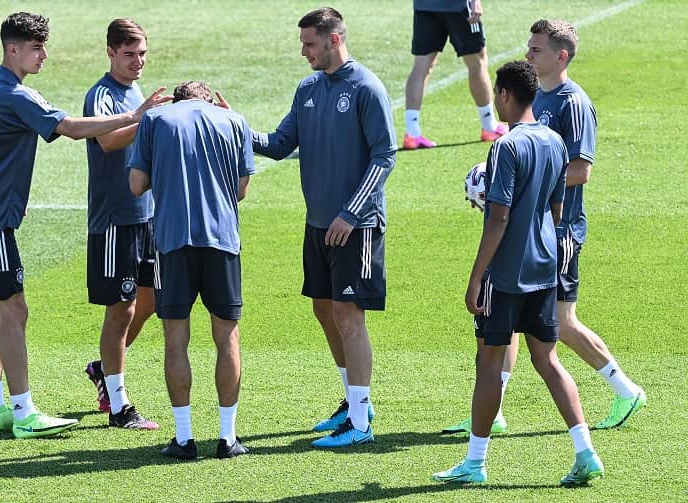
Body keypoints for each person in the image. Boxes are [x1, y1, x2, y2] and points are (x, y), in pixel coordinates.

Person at [0, 11, 170, 439]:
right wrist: (141, 115)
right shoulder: (17, 94)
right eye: (37, 48)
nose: (45, 56)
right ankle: (25, 412)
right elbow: (73, 129)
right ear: (13, 49)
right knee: (14, 310)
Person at [442, 19, 645, 436]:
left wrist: (517, 190)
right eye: (530, 47)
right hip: (531, 230)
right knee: (508, 309)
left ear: (561, 56)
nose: (529, 53)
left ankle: (625, 389)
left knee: (560, 320)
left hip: (560, 230)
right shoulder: (539, 99)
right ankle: (492, 410)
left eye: (536, 49)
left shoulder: (574, 104)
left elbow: (580, 170)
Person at [431, 60, 603, 486]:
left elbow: (500, 218)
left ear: (505, 94)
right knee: (547, 360)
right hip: (546, 269)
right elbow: (557, 207)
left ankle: (474, 462)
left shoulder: (507, 146)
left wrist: (477, 276)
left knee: (490, 363)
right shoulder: (555, 142)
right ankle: (585, 451)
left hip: (507, 274)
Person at [251, 7, 396, 448]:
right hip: (318, 224)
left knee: (349, 318)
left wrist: (351, 213)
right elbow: (278, 145)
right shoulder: (308, 88)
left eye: (309, 44)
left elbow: (384, 155)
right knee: (323, 309)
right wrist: (233, 126)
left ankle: (361, 423)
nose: (303, 52)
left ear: (334, 40)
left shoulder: (366, 87)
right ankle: (354, 403)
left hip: (356, 226)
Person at [128, 81, 254, 460]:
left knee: (175, 338)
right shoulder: (233, 121)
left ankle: (184, 439)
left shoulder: (156, 119)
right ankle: (227, 438)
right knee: (226, 336)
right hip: (222, 242)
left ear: (178, 101)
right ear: (210, 100)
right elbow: (242, 189)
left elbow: (136, 185)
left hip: (172, 243)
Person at [82, 18, 159, 430]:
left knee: (147, 304)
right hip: (114, 219)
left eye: (142, 54)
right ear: (110, 52)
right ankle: (119, 406)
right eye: (129, 54)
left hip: (144, 215)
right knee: (122, 310)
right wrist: (145, 117)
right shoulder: (102, 94)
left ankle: (102, 370)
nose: (137, 62)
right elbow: (108, 141)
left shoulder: (133, 90)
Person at [402, 0, 507, 149]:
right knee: (477, 62)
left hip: (424, 5)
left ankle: (412, 133)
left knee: (421, 65)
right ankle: (489, 127)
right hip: (458, 7)